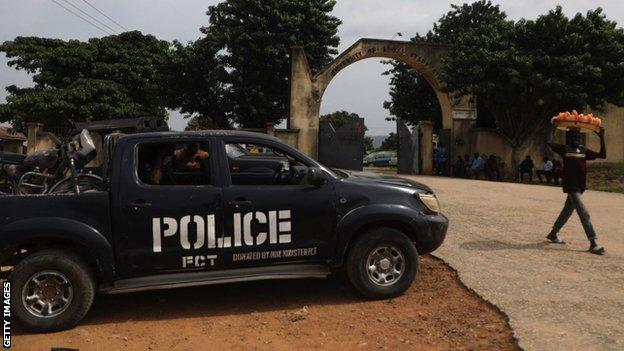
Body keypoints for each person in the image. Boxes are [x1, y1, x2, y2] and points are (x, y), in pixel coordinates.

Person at [546, 127, 606, 255]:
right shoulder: (564, 149)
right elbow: (549, 143)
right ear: (569, 138)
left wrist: (601, 137)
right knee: (584, 213)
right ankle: (593, 242)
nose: (577, 139)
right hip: (571, 187)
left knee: (566, 211)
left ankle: (553, 233)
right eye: (573, 137)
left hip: (580, 187)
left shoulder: (583, 150)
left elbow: (602, 155)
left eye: (578, 137)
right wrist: (555, 126)